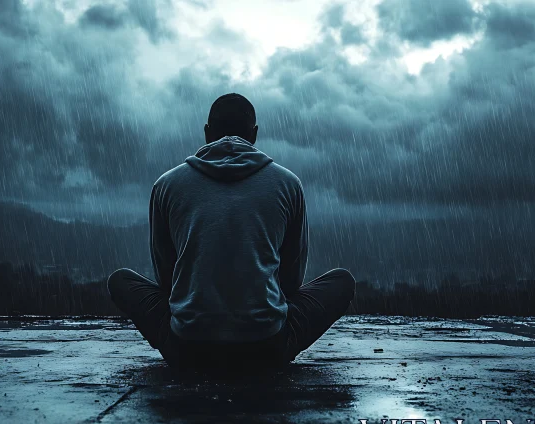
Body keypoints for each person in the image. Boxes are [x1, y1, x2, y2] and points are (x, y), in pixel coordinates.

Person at [107, 93, 355, 369]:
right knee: (342, 281)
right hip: (267, 347)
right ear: (255, 134)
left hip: (187, 349)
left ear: (206, 133)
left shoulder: (167, 184)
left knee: (120, 281)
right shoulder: (288, 184)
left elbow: (166, 280)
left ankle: (193, 344)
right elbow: (291, 281)